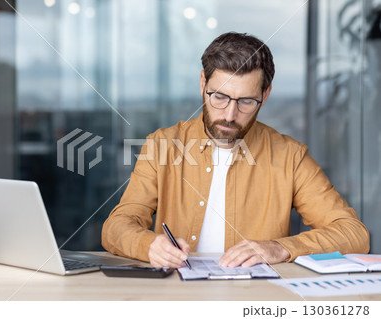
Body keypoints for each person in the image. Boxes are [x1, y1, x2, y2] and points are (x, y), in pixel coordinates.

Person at [101, 32, 370, 269]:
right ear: (202, 84)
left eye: (246, 101)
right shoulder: (162, 145)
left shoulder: (290, 156)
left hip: (254, 299)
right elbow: (116, 227)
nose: (230, 115)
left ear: (265, 95)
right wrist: (148, 245)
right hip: (175, 296)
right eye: (219, 97)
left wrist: (281, 248)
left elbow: (353, 233)